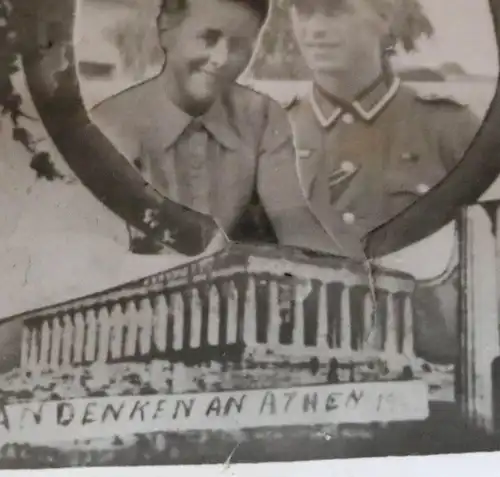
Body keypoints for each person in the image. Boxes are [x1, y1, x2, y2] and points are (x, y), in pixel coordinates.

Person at [91, 0, 357, 258]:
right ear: (166, 29)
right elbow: (103, 258)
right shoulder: (109, 125)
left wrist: (341, 279)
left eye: (240, 45)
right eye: (208, 38)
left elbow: (293, 219)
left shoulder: (260, 115)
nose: (222, 59)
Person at [286, 0, 482, 252]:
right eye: (303, 12)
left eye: (336, 11)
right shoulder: (271, 128)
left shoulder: (450, 128)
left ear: (384, 18)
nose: (315, 29)